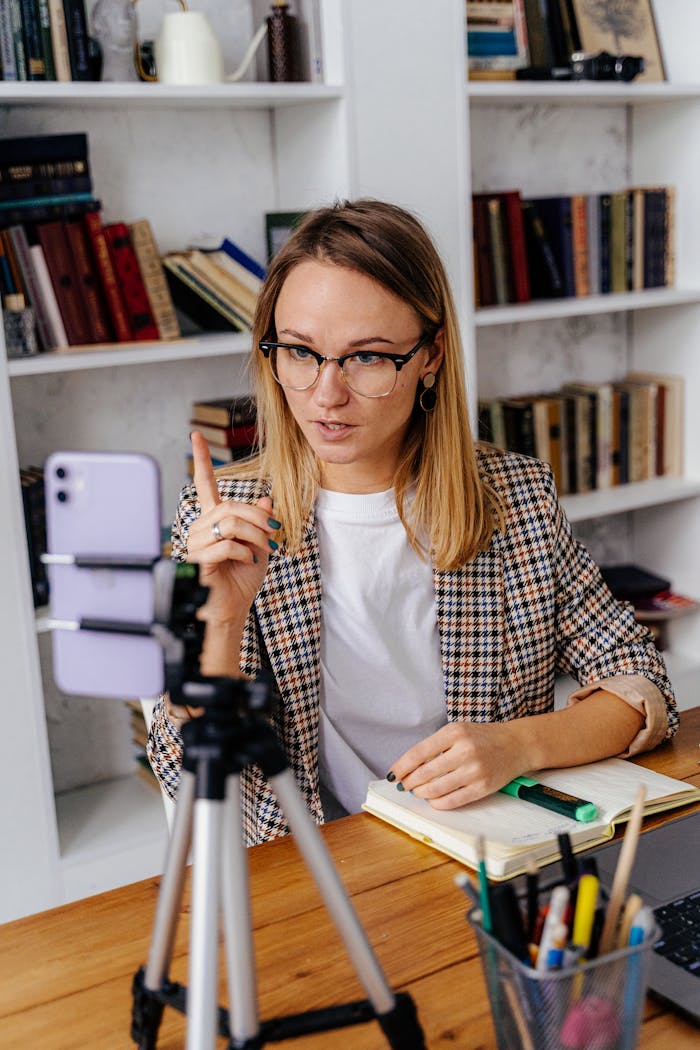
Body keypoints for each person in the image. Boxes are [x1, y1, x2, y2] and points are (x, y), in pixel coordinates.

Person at [147, 198, 677, 845]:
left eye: (368, 357)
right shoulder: (221, 517)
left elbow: (639, 678)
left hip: (481, 860)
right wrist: (221, 622)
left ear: (431, 355)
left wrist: (517, 745)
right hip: (312, 868)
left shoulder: (516, 498)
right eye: (300, 352)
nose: (326, 394)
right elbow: (194, 782)